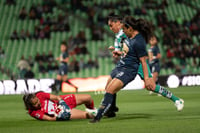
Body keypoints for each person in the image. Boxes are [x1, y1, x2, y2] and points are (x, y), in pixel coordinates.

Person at [90, 16, 184, 123]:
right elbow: (128, 50)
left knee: (151, 86)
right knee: (109, 85)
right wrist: (120, 52)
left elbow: (139, 54)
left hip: (137, 64)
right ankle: (111, 109)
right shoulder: (122, 34)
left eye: (111, 25)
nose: (111, 28)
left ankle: (176, 100)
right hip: (126, 63)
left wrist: (148, 77)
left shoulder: (127, 32)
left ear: (119, 23)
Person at [23, 91, 97, 121]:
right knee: (87, 115)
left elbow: (56, 97)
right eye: (35, 104)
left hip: (62, 102)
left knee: (88, 98)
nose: (38, 103)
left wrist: (62, 102)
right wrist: (60, 117)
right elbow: (48, 118)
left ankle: (93, 110)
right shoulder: (33, 112)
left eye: (37, 100)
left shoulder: (40, 95)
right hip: (60, 112)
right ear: (30, 106)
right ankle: (98, 114)